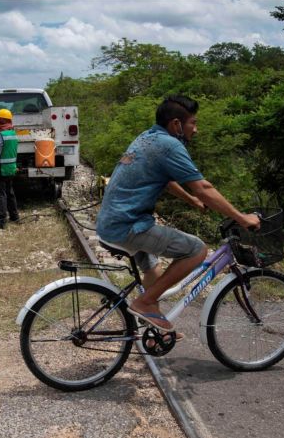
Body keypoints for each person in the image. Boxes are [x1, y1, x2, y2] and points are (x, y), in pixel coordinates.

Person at [96, 95, 260, 337]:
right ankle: (145, 303)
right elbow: (203, 187)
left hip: (111, 221)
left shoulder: (148, 138)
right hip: (128, 225)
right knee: (196, 250)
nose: (196, 128)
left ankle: (151, 327)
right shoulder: (170, 145)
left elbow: (169, 179)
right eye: (193, 122)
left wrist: (191, 200)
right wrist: (242, 217)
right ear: (176, 124)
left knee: (153, 269)